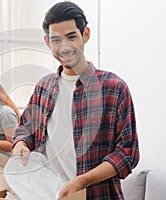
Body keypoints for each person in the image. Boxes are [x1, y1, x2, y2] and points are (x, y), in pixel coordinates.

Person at [12, 2, 139, 199]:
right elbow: (25, 129)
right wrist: (20, 144)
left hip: (98, 195)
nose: (64, 48)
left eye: (71, 37)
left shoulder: (114, 88)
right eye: (56, 40)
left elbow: (127, 152)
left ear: (85, 35)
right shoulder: (43, 88)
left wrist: (82, 181)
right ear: (47, 42)